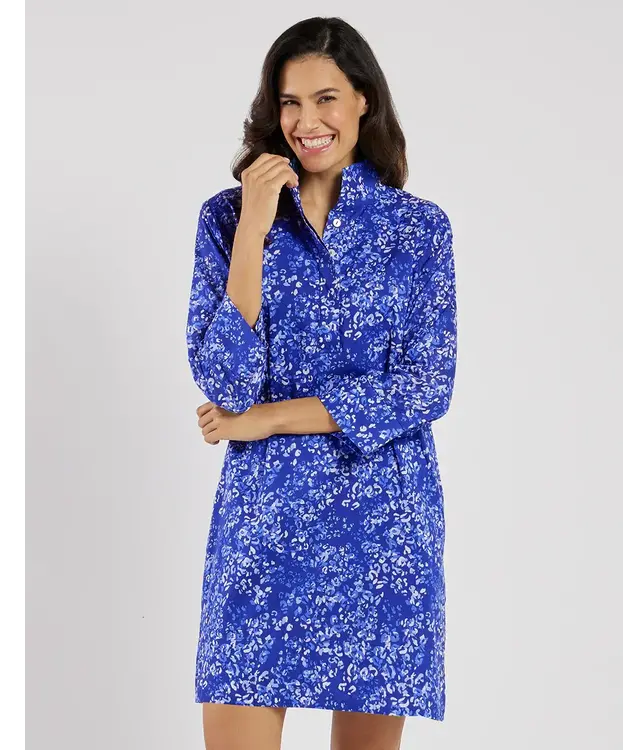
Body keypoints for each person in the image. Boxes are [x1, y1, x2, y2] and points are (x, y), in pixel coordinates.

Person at [186, 16, 457, 750]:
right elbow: (226, 382)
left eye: (326, 98)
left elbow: (426, 386)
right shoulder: (227, 219)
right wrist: (253, 229)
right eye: (290, 102)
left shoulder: (417, 231)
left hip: (382, 529)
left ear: (364, 100)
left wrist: (270, 419)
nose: (307, 122)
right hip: (263, 524)